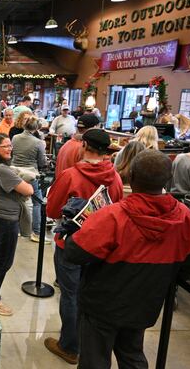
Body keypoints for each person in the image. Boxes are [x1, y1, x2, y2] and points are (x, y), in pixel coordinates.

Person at [64, 150, 190, 368]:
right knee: (132, 353)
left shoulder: (113, 216)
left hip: (102, 305)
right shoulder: (185, 216)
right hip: (145, 303)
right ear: (168, 178)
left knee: (95, 359)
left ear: (132, 176)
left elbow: (74, 253)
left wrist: (77, 228)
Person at [44, 129, 123, 364]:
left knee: (70, 294)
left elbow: (52, 210)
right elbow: (118, 208)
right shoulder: (115, 177)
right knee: (89, 292)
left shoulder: (71, 175)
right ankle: (88, 342)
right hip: (102, 246)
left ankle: (69, 345)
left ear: (85, 145)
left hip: (72, 243)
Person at [0, 133, 34, 316]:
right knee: (3, 262)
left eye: (10, 145)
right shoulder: (1, 171)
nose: (10, 148)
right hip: (5, 221)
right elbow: (29, 190)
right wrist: (22, 178)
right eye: (5, 146)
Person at [11, 115, 48, 242]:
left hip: (15, 173)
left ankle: (17, 230)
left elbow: (11, 153)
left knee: (16, 201)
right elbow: (42, 162)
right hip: (30, 174)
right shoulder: (38, 142)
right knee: (37, 203)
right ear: (37, 128)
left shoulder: (15, 138)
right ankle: (36, 232)